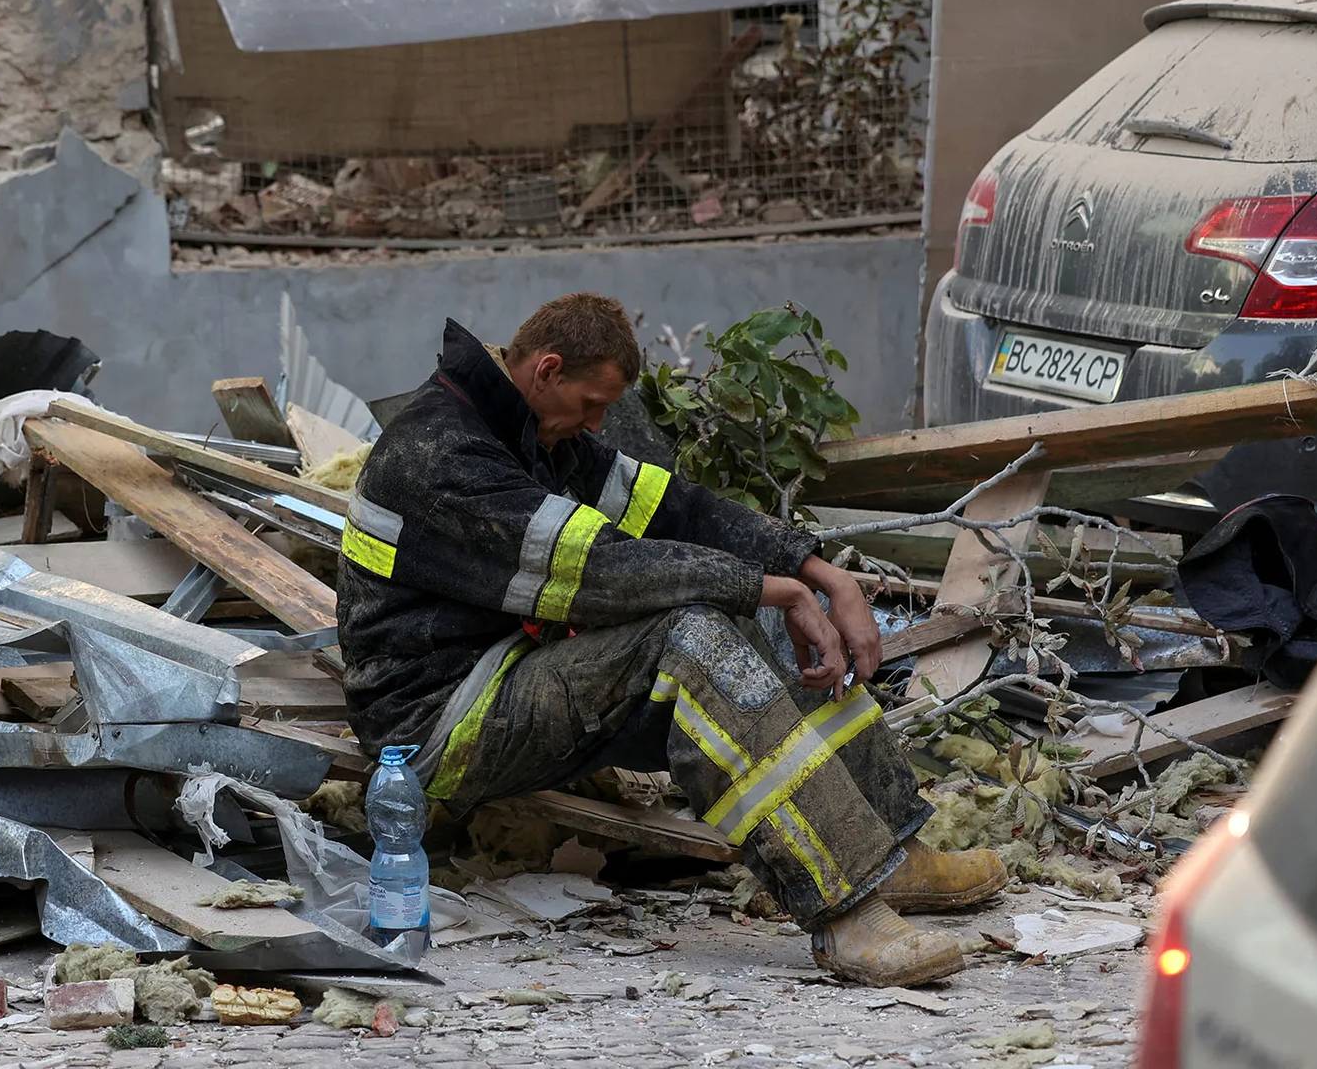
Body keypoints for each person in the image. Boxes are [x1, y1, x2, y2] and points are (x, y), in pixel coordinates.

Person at [337, 293, 1007, 987]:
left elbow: (678, 512)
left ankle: (890, 849)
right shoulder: (438, 456)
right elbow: (602, 571)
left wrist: (821, 574)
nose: (599, 424)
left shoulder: (533, 431)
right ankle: (849, 917)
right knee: (693, 634)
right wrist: (768, 587)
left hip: (510, 674)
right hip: (437, 726)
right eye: (593, 404)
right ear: (547, 369)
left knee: (759, 611)